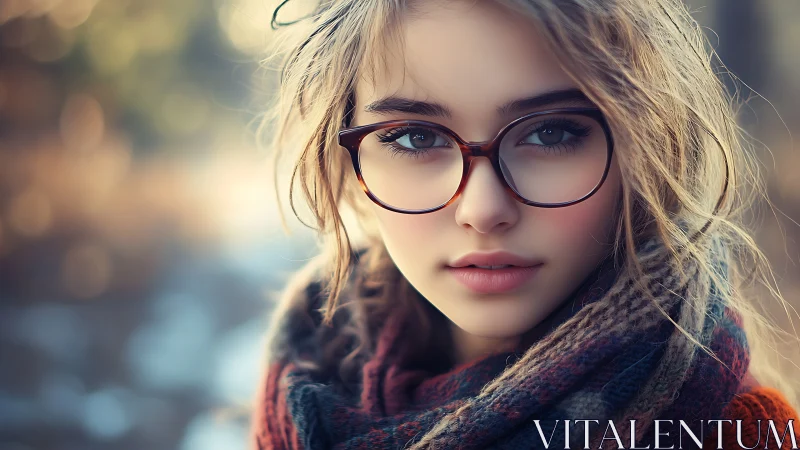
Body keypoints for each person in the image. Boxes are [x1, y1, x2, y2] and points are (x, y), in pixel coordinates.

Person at [251, 0, 800, 448]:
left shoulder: (739, 434)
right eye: (415, 137)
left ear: (644, 146)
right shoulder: (308, 378)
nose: (482, 210)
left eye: (551, 133)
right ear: (345, 162)